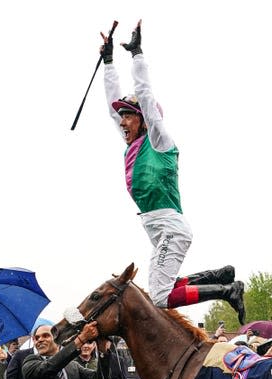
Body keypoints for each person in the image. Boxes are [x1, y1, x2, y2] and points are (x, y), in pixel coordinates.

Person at [101, 20, 245, 324]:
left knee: (159, 296)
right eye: (122, 117)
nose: (123, 122)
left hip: (170, 228)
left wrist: (137, 55)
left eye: (129, 117)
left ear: (143, 121)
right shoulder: (133, 142)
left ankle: (225, 290)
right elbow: (112, 109)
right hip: (159, 229)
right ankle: (219, 276)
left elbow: (147, 98)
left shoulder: (159, 140)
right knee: (161, 288)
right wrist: (109, 61)